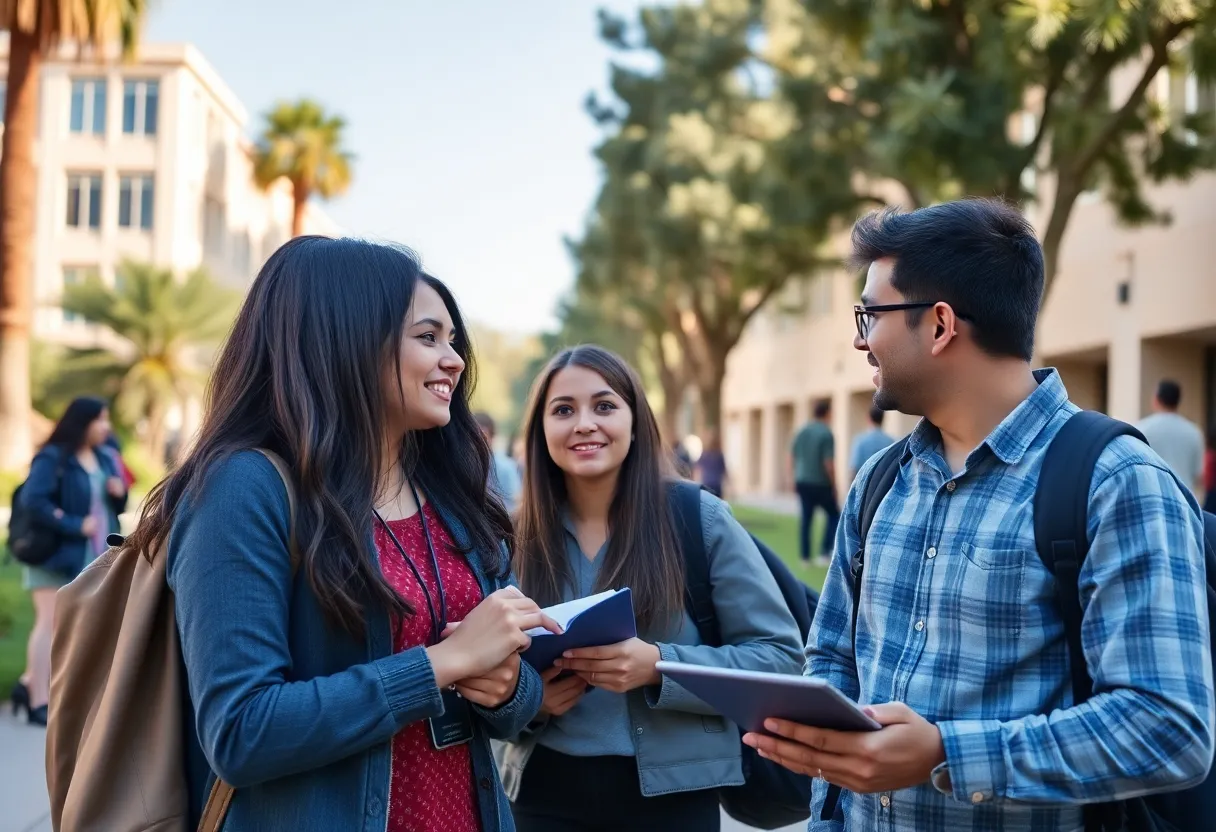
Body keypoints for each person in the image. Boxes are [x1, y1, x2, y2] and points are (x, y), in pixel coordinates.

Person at [744, 200, 1215, 830]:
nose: (859, 338)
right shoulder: (879, 483)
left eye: (870, 314)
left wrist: (945, 754)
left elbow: (1168, 727)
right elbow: (832, 659)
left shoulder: (1116, 481)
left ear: (940, 325)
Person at [122, 237, 559, 831]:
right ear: (346, 341)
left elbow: (519, 700)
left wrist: (507, 686)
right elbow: (243, 730)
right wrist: (441, 664)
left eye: (452, 341)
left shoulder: (453, 494)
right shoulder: (244, 489)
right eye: (428, 338)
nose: (454, 360)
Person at [499, 345, 803, 832]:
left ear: (636, 421)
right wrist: (530, 702)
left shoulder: (698, 519)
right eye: (563, 410)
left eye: (604, 406)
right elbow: (479, 685)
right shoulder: (508, 538)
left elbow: (780, 658)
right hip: (540, 796)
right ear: (539, 432)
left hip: (675, 800)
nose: (583, 424)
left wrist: (658, 667)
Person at [10, 396, 127, 726]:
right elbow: (35, 501)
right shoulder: (52, 457)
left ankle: (26, 686)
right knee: (49, 624)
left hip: (91, 556)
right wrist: (74, 524)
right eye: (100, 420)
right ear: (83, 423)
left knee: (72, 627)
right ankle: (38, 703)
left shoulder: (104, 458)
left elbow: (111, 506)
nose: (106, 427)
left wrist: (119, 493)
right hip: (51, 555)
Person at [1137, 379, 1205, 496]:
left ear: (1156, 399)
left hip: (1152, 497)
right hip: (1185, 501)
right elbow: (1199, 476)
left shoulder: (1141, 429)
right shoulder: (1194, 432)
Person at [790, 400, 838, 564]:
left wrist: (792, 477)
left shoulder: (802, 431)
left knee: (806, 518)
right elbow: (828, 464)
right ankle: (824, 552)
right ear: (827, 413)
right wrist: (834, 484)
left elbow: (792, 456)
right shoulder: (826, 433)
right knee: (834, 515)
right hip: (820, 482)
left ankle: (805, 557)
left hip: (802, 481)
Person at [475, 411, 523, 512]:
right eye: (474, 436)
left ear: (492, 438)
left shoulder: (506, 467)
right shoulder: (465, 465)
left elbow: (517, 500)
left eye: (484, 437)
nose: (478, 441)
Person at [849, 405, 894, 480]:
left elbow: (854, 468)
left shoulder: (860, 440)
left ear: (868, 418)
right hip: (884, 485)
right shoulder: (890, 441)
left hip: (865, 484)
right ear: (882, 419)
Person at [695, 429, 728, 497]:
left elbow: (697, 469)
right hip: (716, 483)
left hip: (707, 483)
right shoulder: (719, 455)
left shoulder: (705, 454)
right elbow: (724, 471)